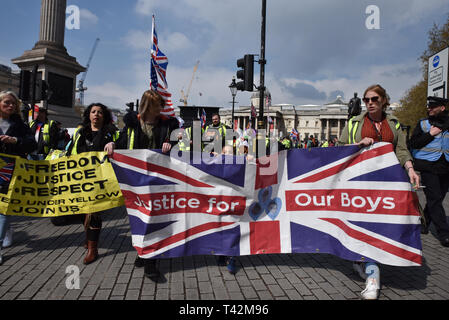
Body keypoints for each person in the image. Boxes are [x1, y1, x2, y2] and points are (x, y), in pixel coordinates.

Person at [338, 84, 420, 300]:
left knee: (378, 226)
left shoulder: (394, 124)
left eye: (374, 99)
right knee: (363, 225)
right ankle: (370, 272)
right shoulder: (355, 123)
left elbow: (401, 150)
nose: (370, 103)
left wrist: (411, 169)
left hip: (386, 184)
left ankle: (367, 268)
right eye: (366, 100)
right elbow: (340, 149)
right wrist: (358, 144)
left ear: (384, 100)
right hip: (359, 183)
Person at [114, 90, 179, 280]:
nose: (162, 107)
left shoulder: (169, 125)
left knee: (154, 217)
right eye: (158, 104)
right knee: (141, 218)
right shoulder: (133, 124)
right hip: (137, 179)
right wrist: (112, 145)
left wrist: (171, 144)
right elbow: (122, 142)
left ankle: (150, 261)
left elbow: (179, 146)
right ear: (149, 105)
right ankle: (143, 252)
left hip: (160, 178)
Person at [65, 103, 118, 265]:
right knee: (83, 212)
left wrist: (113, 145)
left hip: (100, 180)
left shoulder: (111, 133)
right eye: (93, 112)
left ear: (104, 116)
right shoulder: (80, 133)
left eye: (100, 112)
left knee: (94, 212)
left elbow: (120, 149)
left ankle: (92, 249)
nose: (96, 114)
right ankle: (89, 238)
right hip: (80, 179)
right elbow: (71, 152)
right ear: (88, 115)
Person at [0, 91, 37, 265]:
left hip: (10, 170)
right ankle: (7, 229)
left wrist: (15, 141)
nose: (11, 106)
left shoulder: (20, 125)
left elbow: (32, 144)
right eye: (7, 102)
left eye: (13, 103)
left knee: (4, 208)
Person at [410, 96, 449, 247]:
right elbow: (413, 143)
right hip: (428, 166)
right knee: (434, 198)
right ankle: (444, 233)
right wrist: (430, 134)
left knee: (437, 198)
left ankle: (424, 222)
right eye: (428, 106)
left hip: (446, 166)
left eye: (432, 106)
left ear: (442, 108)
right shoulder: (423, 124)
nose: (429, 109)